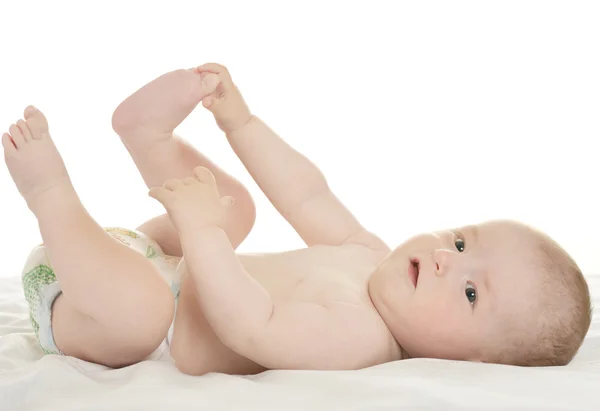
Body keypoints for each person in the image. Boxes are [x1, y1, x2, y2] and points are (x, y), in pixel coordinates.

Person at [3, 64, 592, 375]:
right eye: (463, 241)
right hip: (144, 260)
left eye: (469, 290)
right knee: (243, 208)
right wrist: (243, 125)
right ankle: (148, 136)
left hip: (94, 311)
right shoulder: (369, 255)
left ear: (470, 363)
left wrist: (205, 231)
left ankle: (50, 192)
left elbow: (252, 325)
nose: (446, 258)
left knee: (146, 308)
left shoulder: (360, 340)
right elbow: (306, 195)